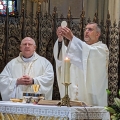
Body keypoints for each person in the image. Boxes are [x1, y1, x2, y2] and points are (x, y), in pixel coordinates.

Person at [54, 22, 109, 106]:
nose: (86, 31)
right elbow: (64, 57)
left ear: (97, 34)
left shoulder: (102, 49)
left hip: (91, 98)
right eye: (85, 29)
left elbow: (89, 53)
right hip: (72, 96)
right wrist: (60, 39)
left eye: (90, 29)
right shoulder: (78, 49)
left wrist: (72, 37)